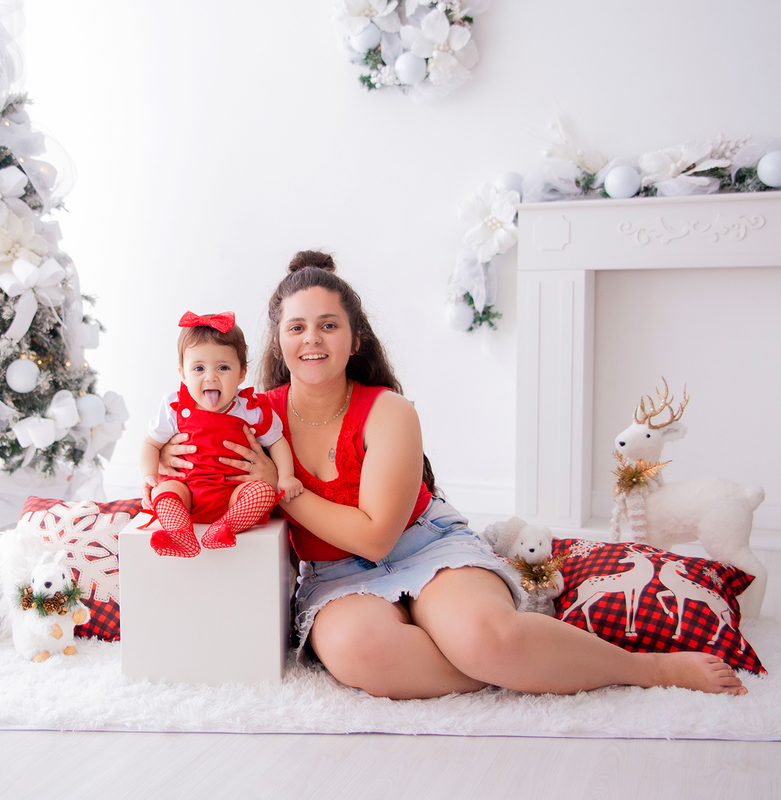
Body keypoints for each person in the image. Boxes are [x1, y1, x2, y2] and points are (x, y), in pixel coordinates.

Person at [157, 251, 747, 699]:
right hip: (333, 575)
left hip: (422, 546)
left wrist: (285, 486)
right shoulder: (248, 416)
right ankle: (513, 668)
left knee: (485, 636)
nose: (312, 338)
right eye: (296, 327)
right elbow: (182, 454)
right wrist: (161, 471)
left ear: (354, 338)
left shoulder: (388, 410)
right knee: (362, 654)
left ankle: (643, 669)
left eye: (328, 325)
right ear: (279, 342)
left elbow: (376, 536)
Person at [139, 311, 303, 558]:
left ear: (241, 373)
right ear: (183, 373)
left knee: (264, 493)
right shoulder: (174, 407)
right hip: (187, 490)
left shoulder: (251, 409)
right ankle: (180, 532)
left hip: (233, 494)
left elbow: (277, 441)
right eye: (198, 368)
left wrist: (286, 476)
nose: (211, 376)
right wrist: (149, 475)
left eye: (223, 367)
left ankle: (225, 527)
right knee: (163, 492)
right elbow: (150, 443)